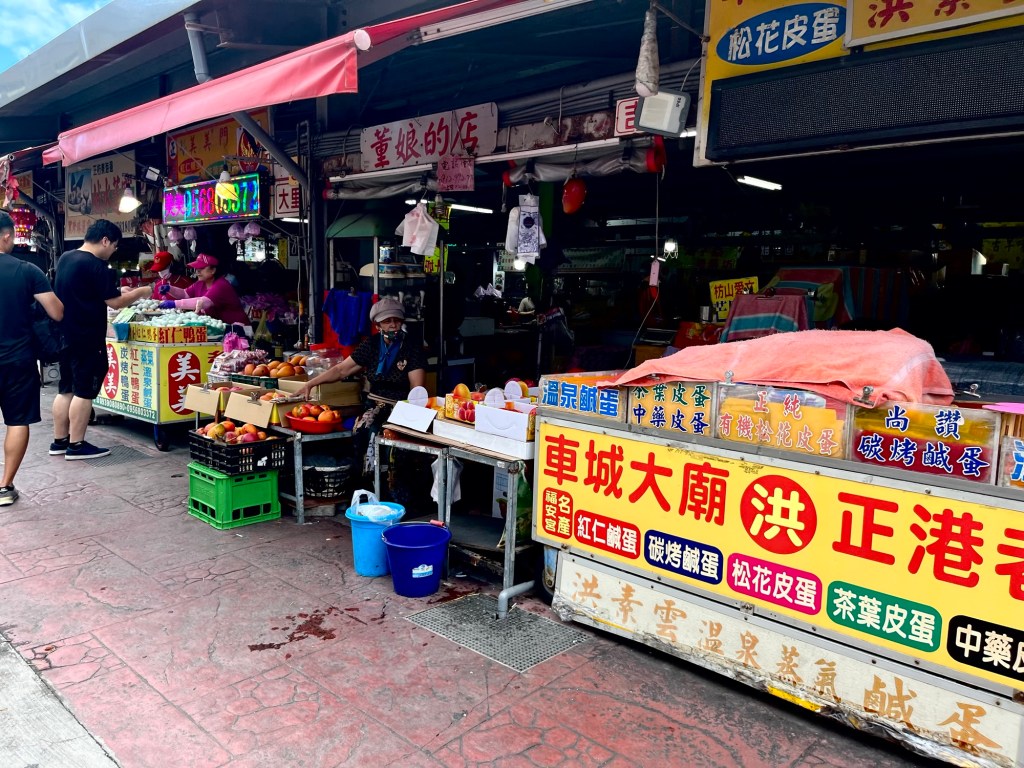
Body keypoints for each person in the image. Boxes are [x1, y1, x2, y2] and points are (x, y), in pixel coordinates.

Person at [51, 220, 151, 460]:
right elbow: (114, 302)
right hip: (87, 337)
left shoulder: (66, 257)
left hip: (65, 334)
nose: (113, 250)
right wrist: (141, 292)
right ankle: (77, 445)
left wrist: (119, 293)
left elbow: (93, 293)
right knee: (84, 391)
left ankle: (59, 441)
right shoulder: (98, 266)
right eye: (114, 245)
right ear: (105, 240)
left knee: (65, 388)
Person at [296, 297, 426, 476]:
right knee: (364, 429)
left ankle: (390, 487)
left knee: (394, 444)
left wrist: (408, 417)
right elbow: (341, 370)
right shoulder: (372, 344)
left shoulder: (412, 347)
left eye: (396, 320)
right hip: (374, 405)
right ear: (378, 325)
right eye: (387, 321)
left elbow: (416, 388)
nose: (393, 325)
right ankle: (367, 484)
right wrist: (311, 383)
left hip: (401, 407)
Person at [0, 211, 64, 504]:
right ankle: (4, 486)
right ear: (6, 236)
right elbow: (56, 312)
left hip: (17, 360)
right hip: (18, 360)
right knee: (16, 421)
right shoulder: (27, 270)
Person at [159, 252, 249, 327]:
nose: (197, 271)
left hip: (238, 328)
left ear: (213, 270)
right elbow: (185, 293)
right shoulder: (200, 283)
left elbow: (204, 302)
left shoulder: (221, 285)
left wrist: (174, 304)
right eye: (197, 268)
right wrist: (170, 289)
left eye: (201, 268)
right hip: (221, 328)